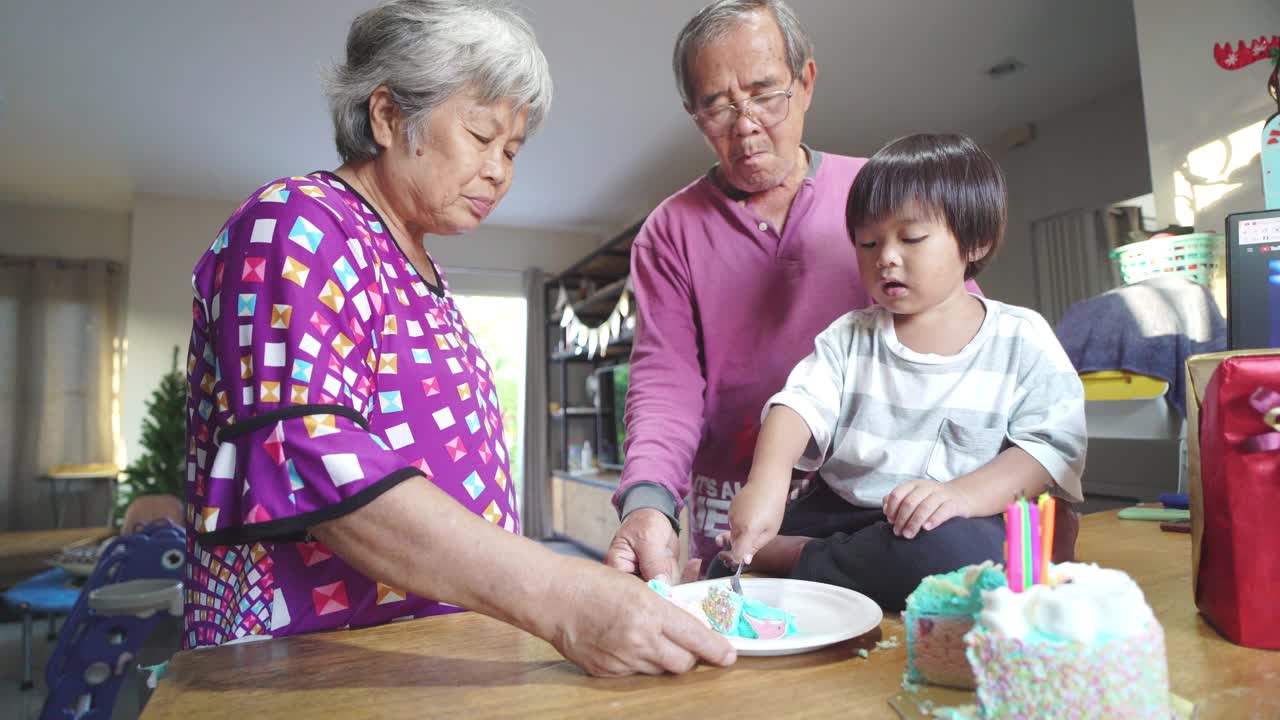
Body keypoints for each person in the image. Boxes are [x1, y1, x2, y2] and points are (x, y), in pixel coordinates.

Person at [183, 0, 734, 677]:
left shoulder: (422, 268)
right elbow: (313, 461)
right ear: (387, 116)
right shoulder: (296, 225)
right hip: (310, 665)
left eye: (512, 150)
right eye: (481, 136)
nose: (501, 171)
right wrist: (564, 592)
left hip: (423, 660)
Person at [605, 0, 981, 581]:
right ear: (693, 115)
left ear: (805, 82)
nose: (746, 124)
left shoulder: (880, 192)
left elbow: (961, 327)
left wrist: (993, 477)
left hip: (889, 501)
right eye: (717, 107)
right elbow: (665, 382)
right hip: (740, 512)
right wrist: (649, 501)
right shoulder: (669, 232)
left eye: (764, 93)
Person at [718, 133, 1086, 610]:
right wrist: (767, 481)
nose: (885, 257)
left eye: (911, 238)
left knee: (966, 559)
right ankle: (793, 555)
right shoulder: (851, 336)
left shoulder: (1021, 337)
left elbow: (1046, 449)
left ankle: (796, 562)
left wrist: (958, 497)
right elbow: (797, 407)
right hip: (842, 513)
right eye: (869, 242)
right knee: (726, 560)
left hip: (956, 517)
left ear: (975, 241)